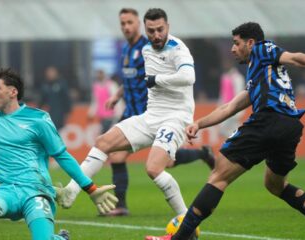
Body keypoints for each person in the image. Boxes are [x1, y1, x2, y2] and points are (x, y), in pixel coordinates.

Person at [145, 22, 305, 240]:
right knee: (275, 185)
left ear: (251, 43)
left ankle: (178, 238)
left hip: (268, 120)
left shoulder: (262, 50)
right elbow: (230, 107)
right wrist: (199, 124)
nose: (232, 49)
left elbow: (295, 57)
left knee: (218, 176)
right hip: (290, 127)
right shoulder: (259, 73)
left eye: (236, 43)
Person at [56, 8, 215, 217]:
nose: (156, 35)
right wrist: (118, 95)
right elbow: (134, 80)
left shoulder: (178, 49)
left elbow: (188, 77)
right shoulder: (146, 50)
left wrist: (156, 80)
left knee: (154, 168)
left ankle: (185, 222)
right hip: (149, 116)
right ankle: (71, 192)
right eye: (152, 31)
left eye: (160, 29)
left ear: (167, 27)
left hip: (175, 118)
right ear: (146, 29)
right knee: (103, 143)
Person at [0, 68, 118, 240]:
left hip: (37, 191)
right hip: (6, 190)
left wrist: (90, 188)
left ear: (13, 92)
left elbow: (61, 155)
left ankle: (58, 238)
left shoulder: (38, 119)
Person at [38, 66, 72, 130]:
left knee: (58, 129)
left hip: (60, 112)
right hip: (49, 112)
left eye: (51, 72)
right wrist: (38, 109)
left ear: (56, 73)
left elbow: (66, 98)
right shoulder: (45, 85)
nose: (50, 74)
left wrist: (68, 111)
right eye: (48, 73)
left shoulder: (61, 84)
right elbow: (42, 100)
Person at [88, 69, 121, 134]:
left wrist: (119, 113)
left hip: (111, 115)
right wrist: (91, 113)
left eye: (100, 74)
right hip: (101, 116)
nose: (98, 76)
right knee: (104, 132)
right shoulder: (95, 86)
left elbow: (117, 99)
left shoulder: (111, 85)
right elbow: (95, 101)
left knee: (107, 133)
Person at [218, 59, 245, 138]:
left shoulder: (238, 78)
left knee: (234, 133)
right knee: (224, 133)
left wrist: (239, 112)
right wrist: (219, 107)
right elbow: (222, 93)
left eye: (227, 63)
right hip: (225, 109)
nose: (225, 65)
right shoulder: (224, 77)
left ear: (231, 64)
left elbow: (240, 94)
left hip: (234, 110)